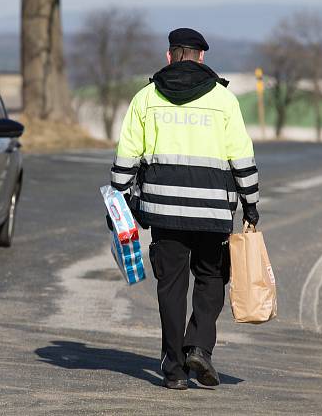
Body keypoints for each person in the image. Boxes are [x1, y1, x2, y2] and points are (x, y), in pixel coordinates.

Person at [110, 27, 260, 390]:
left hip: (162, 211)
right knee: (211, 277)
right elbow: (242, 158)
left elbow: (126, 156)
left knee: (172, 286)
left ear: (169, 56)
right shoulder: (225, 101)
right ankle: (200, 348)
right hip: (212, 212)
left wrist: (117, 201)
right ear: (201, 57)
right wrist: (251, 206)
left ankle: (174, 369)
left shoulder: (145, 98)